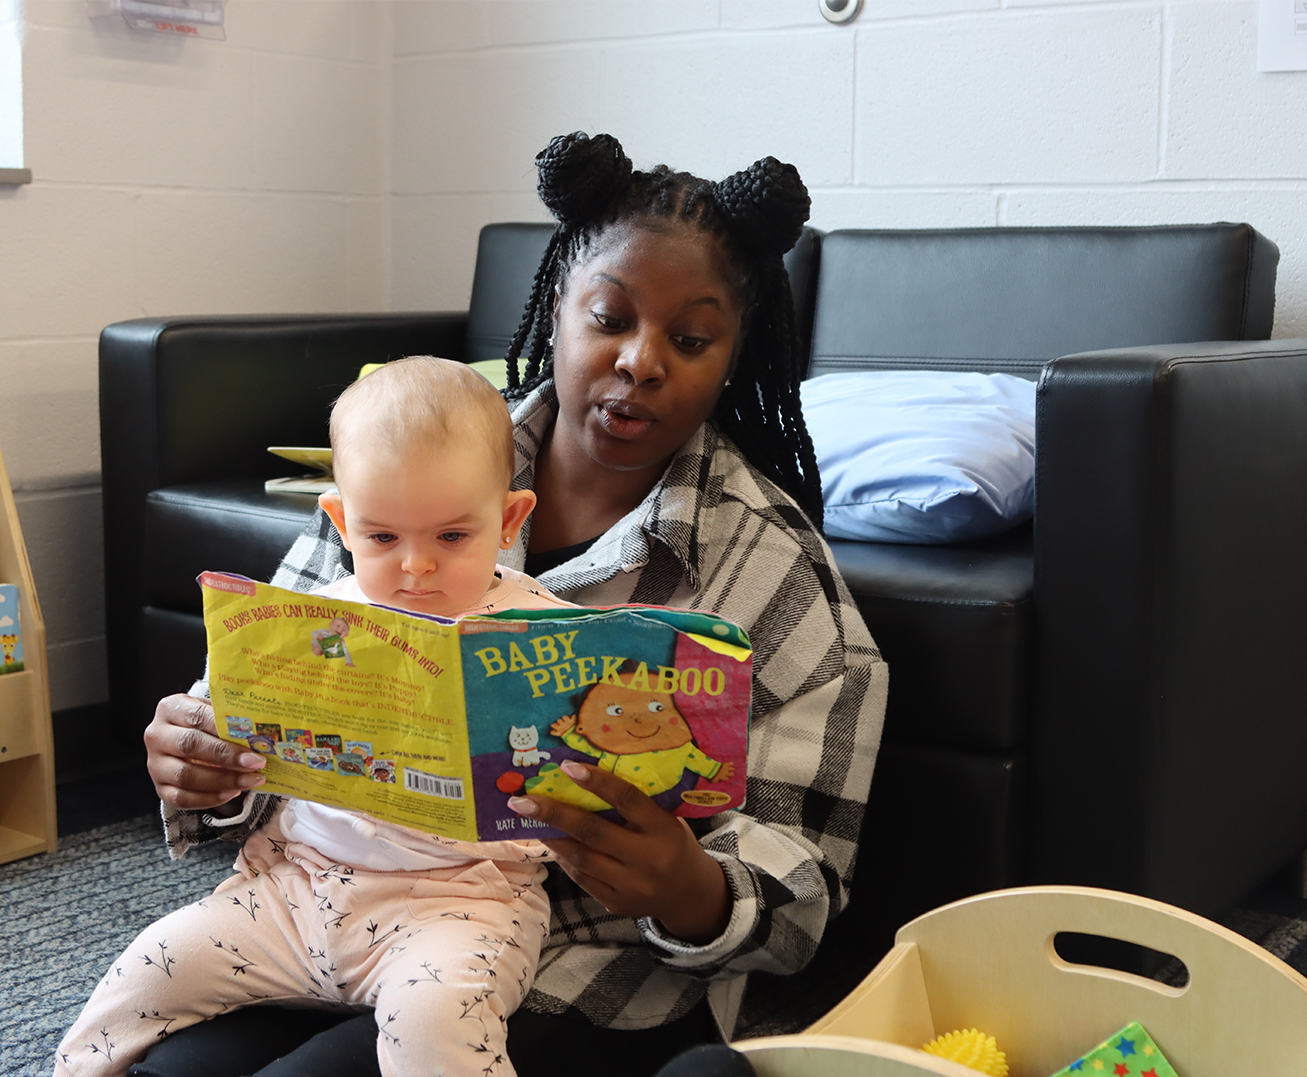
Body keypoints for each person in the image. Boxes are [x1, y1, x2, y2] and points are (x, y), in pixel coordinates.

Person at [135, 132, 888, 1077]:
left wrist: (693, 888)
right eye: (608, 318)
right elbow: (265, 699)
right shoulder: (408, 470)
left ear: (732, 357)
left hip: (574, 964)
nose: (641, 361)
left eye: (690, 340)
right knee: (166, 1066)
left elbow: (803, 888)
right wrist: (208, 765)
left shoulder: (773, 572)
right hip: (327, 910)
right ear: (555, 310)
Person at [56, 358, 577, 1077]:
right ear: (340, 521)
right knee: (146, 968)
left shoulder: (550, 638)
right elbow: (228, 721)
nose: (415, 567)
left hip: (461, 905)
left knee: (436, 1021)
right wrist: (211, 738)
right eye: (382, 537)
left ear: (510, 518)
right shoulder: (312, 619)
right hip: (294, 886)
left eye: (453, 537)